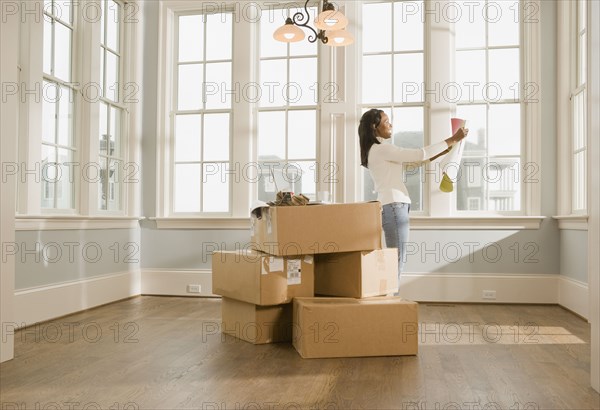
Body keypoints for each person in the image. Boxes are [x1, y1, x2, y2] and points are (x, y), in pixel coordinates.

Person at [358, 109, 468, 293]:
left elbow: (413, 162)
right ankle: (390, 301)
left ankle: (389, 298)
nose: (390, 124)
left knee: (396, 258)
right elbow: (418, 154)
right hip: (394, 207)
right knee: (397, 259)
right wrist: (453, 139)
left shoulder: (377, 151)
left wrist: (443, 151)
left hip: (392, 206)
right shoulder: (382, 149)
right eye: (386, 121)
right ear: (374, 127)